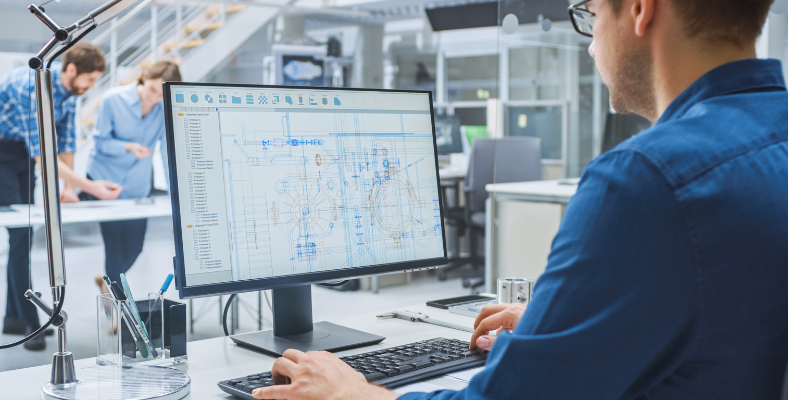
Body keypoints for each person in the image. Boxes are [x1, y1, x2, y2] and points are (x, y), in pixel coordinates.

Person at [248, 0, 788, 399]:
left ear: (641, 11)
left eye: (589, 15)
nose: (592, 41)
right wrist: (569, 324)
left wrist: (360, 394)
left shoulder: (644, 180)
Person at [0, 43, 122, 351]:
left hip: (21, 152)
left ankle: (13, 318)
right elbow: (43, 156)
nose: (91, 86)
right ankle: (29, 324)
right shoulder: (31, 88)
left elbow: (67, 140)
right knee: (20, 235)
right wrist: (92, 187)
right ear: (71, 69)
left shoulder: (69, 91)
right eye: (89, 79)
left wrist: (70, 188)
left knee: (23, 234)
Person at [79, 61, 181, 288]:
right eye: (153, 89)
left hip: (137, 186)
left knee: (135, 248)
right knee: (115, 248)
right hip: (105, 183)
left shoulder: (164, 108)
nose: (155, 98)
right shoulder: (113, 100)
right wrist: (128, 147)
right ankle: (118, 310)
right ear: (144, 78)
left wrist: (176, 192)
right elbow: (101, 143)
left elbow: (167, 152)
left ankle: (108, 282)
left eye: (161, 94)